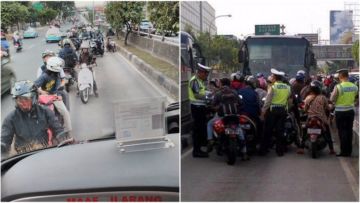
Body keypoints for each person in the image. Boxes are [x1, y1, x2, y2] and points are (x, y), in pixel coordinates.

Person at [1, 80, 65, 158]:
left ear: (34, 97)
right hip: (22, 156)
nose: (22, 103)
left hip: (43, 152)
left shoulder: (45, 112)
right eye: (19, 99)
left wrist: (63, 140)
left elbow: (58, 130)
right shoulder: (10, 118)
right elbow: (4, 141)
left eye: (26, 98)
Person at [210, 77, 249, 160]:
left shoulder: (218, 93)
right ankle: (244, 152)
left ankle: (213, 142)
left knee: (212, 125)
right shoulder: (234, 92)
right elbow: (241, 103)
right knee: (240, 131)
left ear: (221, 84)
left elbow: (213, 105)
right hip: (235, 116)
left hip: (223, 117)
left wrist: (217, 108)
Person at [34, 56, 72, 134]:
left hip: (54, 96)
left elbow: (58, 87)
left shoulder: (57, 75)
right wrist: (41, 91)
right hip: (43, 98)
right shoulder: (44, 76)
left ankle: (69, 131)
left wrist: (58, 94)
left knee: (65, 112)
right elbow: (34, 86)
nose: (59, 69)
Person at [297, 80, 335, 154]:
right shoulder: (323, 97)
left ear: (311, 89)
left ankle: (301, 148)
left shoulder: (308, 98)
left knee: (305, 132)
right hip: (321, 118)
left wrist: (305, 110)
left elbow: (305, 109)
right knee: (327, 132)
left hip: (310, 118)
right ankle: (331, 149)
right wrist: (331, 107)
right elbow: (328, 108)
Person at [259, 68, 291, 156]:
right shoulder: (288, 87)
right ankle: (280, 151)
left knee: (267, 131)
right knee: (280, 131)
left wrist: (263, 112)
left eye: (272, 76)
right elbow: (288, 100)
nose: (271, 77)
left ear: (275, 78)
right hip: (283, 111)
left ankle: (263, 150)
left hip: (272, 112)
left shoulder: (273, 87)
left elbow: (267, 101)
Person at [330, 69, 358, 157]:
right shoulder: (354, 86)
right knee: (349, 131)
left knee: (342, 131)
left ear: (340, 77)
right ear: (347, 76)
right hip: (350, 111)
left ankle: (343, 151)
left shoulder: (338, 87)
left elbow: (332, 99)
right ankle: (349, 151)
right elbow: (357, 99)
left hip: (340, 112)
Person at [188, 63, 211, 157]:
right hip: (197, 108)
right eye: (205, 74)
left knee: (201, 128)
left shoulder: (199, 81)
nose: (206, 76)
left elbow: (202, 91)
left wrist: (210, 93)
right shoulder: (194, 81)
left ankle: (200, 147)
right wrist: (208, 97)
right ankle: (196, 151)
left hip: (201, 108)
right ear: (201, 72)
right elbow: (197, 95)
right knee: (197, 130)